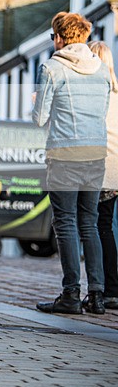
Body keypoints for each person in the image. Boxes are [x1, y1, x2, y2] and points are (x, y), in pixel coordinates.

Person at [33, 12, 111, 315]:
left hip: (64, 154)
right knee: (89, 223)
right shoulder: (103, 70)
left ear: (59, 37)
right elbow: (102, 112)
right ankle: (97, 295)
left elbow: (39, 118)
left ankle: (69, 295)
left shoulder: (52, 68)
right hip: (95, 153)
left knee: (65, 223)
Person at [88, 41, 118, 310]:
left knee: (90, 227)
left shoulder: (96, 97)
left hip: (98, 169)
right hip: (115, 172)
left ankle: (97, 287)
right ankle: (111, 288)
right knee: (105, 227)